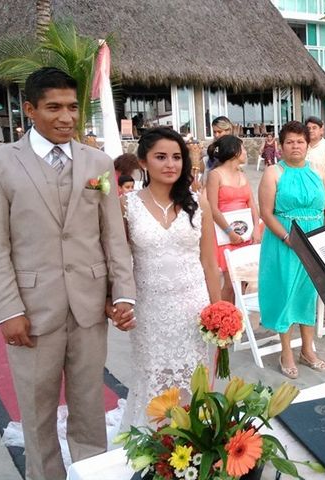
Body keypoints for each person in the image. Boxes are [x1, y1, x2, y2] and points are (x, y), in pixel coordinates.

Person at [0, 67, 136, 480]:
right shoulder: (1, 162)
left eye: (73, 107)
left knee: (90, 408)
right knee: (37, 416)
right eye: (53, 107)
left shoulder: (98, 163)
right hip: (31, 312)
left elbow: (113, 238)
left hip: (90, 308)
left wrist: (123, 294)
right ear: (29, 110)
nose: (65, 117)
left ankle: (93, 474)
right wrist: (6, 310)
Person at [119, 127, 221, 430]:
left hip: (193, 307)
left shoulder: (197, 202)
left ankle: (196, 442)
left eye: (176, 157)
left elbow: (209, 261)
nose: (170, 164)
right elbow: (120, 262)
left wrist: (219, 310)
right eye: (160, 157)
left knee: (195, 377)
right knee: (156, 377)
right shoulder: (127, 204)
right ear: (143, 162)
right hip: (150, 309)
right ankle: (158, 447)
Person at [258, 121, 325, 379]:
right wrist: (287, 237)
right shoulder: (273, 173)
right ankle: (286, 352)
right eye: (289, 142)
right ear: (281, 146)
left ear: (307, 143)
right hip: (284, 241)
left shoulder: (319, 171)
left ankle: (307, 349)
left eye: (300, 141)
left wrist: (323, 237)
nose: (295, 146)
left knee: (308, 295)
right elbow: (266, 213)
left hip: (313, 241)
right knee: (285, 293)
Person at [205, 135, 261, 302]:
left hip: (245, 231)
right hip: (225, 233)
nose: (245, 152)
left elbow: (252, 202)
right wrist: (229, 232)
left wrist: (256, 228)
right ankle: (223, 319)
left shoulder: (242, 174)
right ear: (234, 151)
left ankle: (239, 317)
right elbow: (212, 208)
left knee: (244, 280)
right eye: (242, 149)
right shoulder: (215, 175)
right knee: (230, 281)